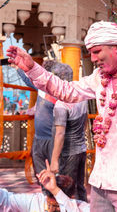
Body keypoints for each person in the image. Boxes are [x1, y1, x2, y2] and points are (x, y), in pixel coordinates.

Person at [7, 21, 117, 211]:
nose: (93, 59)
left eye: (97, 52)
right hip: (101, 182)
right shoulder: (100, 77)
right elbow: (67, 91)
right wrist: (31, 68)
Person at [0, 157, 90, 211]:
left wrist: (55, 191)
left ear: (71, 198)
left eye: (58, 206)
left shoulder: (81, 208)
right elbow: (3, 200)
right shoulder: (35, 202)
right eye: (50, 205)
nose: (52, 210)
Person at [49, 62, 88, 201]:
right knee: (79, 187)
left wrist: (54, 160)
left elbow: (60, 134)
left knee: (66, 189)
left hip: (68, 152)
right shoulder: (81, 97)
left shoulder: (61, 104)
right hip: (81, 149)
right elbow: (85, 123)